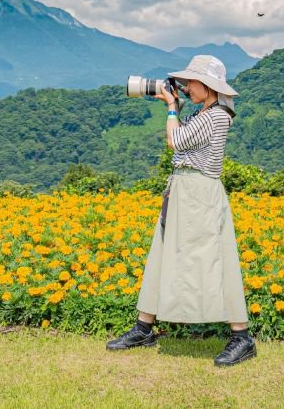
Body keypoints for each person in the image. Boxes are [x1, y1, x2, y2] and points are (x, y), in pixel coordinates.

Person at [106, 55, 256, 367]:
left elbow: (176, 141)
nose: (186, 87)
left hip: (200, 194)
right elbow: (183, 142)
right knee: (162, 254)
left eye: (191, 83)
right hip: (183, 191)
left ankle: (242, 337)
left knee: (215, 260)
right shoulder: (204, 112)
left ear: (209, 86)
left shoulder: (217, 115)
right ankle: (143, 328)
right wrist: (177, 107)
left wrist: (172, 108)